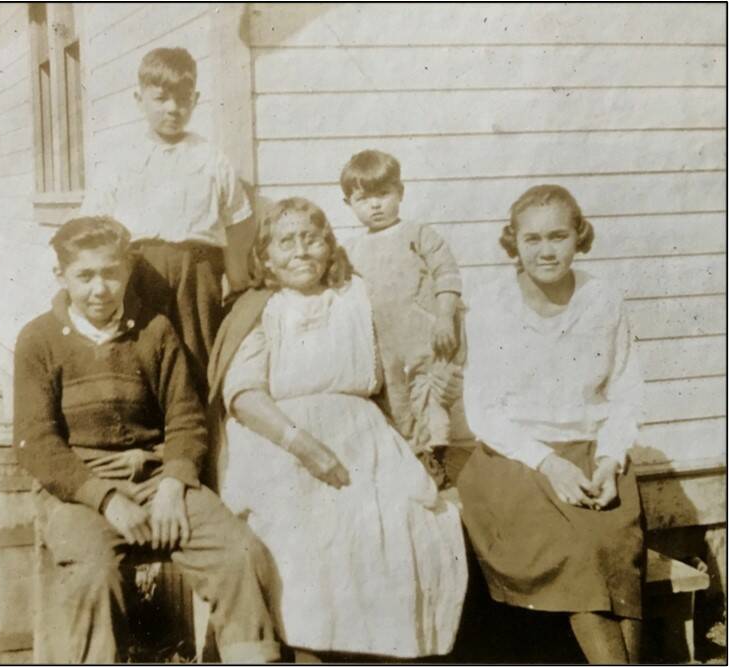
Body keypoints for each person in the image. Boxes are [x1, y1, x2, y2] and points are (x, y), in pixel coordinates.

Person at [207, 197, 467, 659]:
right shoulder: (260, 309)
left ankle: (383, 653)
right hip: (280, 438)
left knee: (401, 520)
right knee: (307, 532)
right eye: (285, 242)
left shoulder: (355, 297)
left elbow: (398, 363)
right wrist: (302, 445)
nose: (300, 251)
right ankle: (312, 653)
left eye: (311, 238)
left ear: (329, 247)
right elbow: (243, 395)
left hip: (361, 432)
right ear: (265, 257)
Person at [13, 216, 279, 663]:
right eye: (86, 275)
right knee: (94, 575)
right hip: (81, 488)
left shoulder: (154, 331)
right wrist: (104, 499)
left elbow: (185, 416)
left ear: (127, 271)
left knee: (242, 553)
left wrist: (176, 481)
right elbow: (37, 442)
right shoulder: (38, 339)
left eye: (111, 273)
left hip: (159, 478)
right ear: (61, 276)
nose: (100, 288)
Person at [457, 184, 645, 663]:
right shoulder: (493, 306)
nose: (546, 250)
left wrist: (608, 460)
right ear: (513, 244)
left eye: (558, 236)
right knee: (583, 553)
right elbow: (485, 413)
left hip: (592, 455)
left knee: (615, 551)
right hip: (515, 461)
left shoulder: (603, 300)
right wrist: (548, 463)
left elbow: (625, 392)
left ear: (579, 237)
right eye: (533, 239)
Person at [80, 47, 254, 400]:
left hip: (199, 271)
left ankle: (202, 438)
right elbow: (93, 223)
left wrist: (237, 278)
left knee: (197, 351)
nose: (173, 109)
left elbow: (237, 220)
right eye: (160, 98)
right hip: (140, 270)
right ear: (139, 98)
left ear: (196, 99)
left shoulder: (210, 158)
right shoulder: (121, 160)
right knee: (144, 349)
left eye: (183, 99)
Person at [341, 150, 464, 485]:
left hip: (425, 337)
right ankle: (411, 458)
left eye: (384, 195)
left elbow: (447, 276)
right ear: (349, 204)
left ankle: (435, 456)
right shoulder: (351, 250)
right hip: (383, 342)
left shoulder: (419, 234)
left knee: (431, 398)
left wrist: (444, 317)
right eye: (364, 199)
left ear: (400, 193)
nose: (376, 206)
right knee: (396, 400)